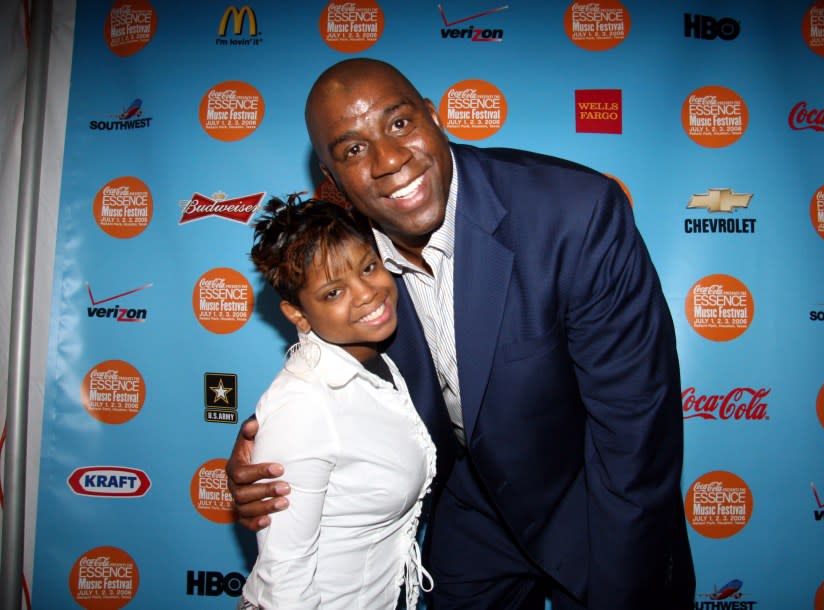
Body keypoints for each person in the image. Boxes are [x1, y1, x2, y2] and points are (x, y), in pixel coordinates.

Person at [227, 58, 695, 609]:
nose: (388, 160)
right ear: (332, 179)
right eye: (353, 149)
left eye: (399, 124)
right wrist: (274, 451)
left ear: (432, 116)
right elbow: (325, 362)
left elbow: (635, 428)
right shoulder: (350, 254)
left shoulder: (575, 215)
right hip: (473, 502)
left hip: (592, 498)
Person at [236, 195, 435, 610]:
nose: (366, 294)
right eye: (332, 292)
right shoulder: (305, 405)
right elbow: (284, 584)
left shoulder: (372, 360)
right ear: (297, 314)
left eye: (368, 267)